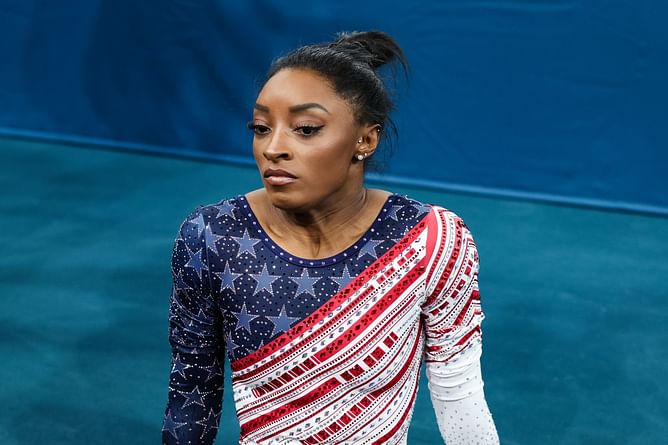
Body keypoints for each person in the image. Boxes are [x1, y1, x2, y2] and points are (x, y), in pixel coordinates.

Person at [162, 31, 499, 445]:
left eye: (305, 129)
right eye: (261, 127)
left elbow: (459, 398)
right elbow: (190, 399)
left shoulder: (430, 241)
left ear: (366, 139)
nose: (273, 148)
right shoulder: (213, 236)